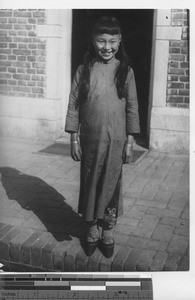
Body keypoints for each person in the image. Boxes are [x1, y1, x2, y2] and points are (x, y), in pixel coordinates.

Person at [65, 16, 140, 258]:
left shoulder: (125, 71)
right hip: (90, 140)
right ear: (93, 41)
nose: (106, 47)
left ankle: (108, 229)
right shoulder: (84, 70)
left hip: (117, 142)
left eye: (112, 41)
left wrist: (130, 141)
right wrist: (73, 138)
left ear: (120, 41)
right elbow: (74, 104)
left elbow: (132, 107)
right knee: (91, 182)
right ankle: (93, 228)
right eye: (101, 41)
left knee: (111, 183)